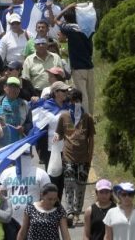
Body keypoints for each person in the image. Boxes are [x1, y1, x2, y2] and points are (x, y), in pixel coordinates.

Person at [54, 89, 95, 227]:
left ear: (80, 101)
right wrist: (56, 137)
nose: (74, 104)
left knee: (81, 186)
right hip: (68, 156)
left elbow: (91, 138)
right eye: (71, 101)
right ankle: (70, 211)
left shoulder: (87, 117)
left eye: (76, 101)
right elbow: (59, 133)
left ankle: (78, 212)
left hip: (83, 157)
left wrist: (90, 156)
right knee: (69, 184)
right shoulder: (64, 116)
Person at [55, 4, 95, 113]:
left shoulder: (69, 28)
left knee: (83, 95)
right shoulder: (88, 27)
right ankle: (91, 117)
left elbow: (56, 19)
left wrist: (68, 7)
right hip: (89, 65)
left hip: (78, 68)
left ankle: (86, 119)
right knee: (91, 94)